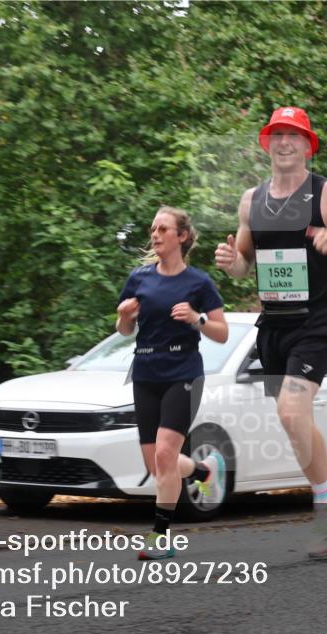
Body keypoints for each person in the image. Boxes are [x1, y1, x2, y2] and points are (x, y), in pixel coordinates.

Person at [214, 107, 327, 557]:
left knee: (293, 412)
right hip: (272, 322)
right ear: (266, 144)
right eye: (277, 135)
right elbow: (244, 263)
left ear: (308, 145)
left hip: (315, 319)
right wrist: (233, 264)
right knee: (293, 424)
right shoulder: (251, 200)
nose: (285, 143)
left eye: (294, 136)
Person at [117, 206, 229, 560]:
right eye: (153, 228)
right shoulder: (139, 278)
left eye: (163, 229)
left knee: (165, 455)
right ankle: (202, 469)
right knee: (156, 466)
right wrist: (123, 316)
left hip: (183, 374)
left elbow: (222, 333)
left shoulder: (198, 282)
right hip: (146, 374)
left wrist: (196, 319)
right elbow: (125, 330)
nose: (155, 234)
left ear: (181, 236)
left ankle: (161, 535)